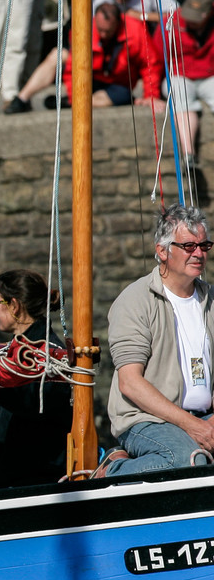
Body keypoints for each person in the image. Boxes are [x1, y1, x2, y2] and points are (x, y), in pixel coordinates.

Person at [102, 204, 214, 476]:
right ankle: (113, 470)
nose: (198, 254)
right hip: (146, 419)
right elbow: (130, 383)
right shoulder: (135, 301)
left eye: (204, 246)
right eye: (188, 246)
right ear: (162, 251)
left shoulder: (211, 299)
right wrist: (193, 426)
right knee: (187, 461)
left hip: (204, 414)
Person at [0, 269, 70, 490]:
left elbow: (29, 405)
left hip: (39, 482)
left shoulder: (52, 355)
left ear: (14, 306)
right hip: (3, 480)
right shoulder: (7, 353)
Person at [11, 0, 161, 117]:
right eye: (100, 30)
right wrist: (73, 96)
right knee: (58, 54)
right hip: (91, 77)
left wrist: (151, 96)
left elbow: (150, 63)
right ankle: (21, 99)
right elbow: (72, 69)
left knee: (119, 98)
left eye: (108, 31)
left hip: (117, 83)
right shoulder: (85, 28)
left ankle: (68, 103)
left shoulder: (134, 30)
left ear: (117, 23)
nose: (103, 34)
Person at [164, 0, 214, 161]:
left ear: (208, 14)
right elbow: (155, 59)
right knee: (180, 99)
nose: (190, 21)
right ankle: (188, 154)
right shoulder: (171, 22)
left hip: (209, 75)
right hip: (180, 75)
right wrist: (151, 94)